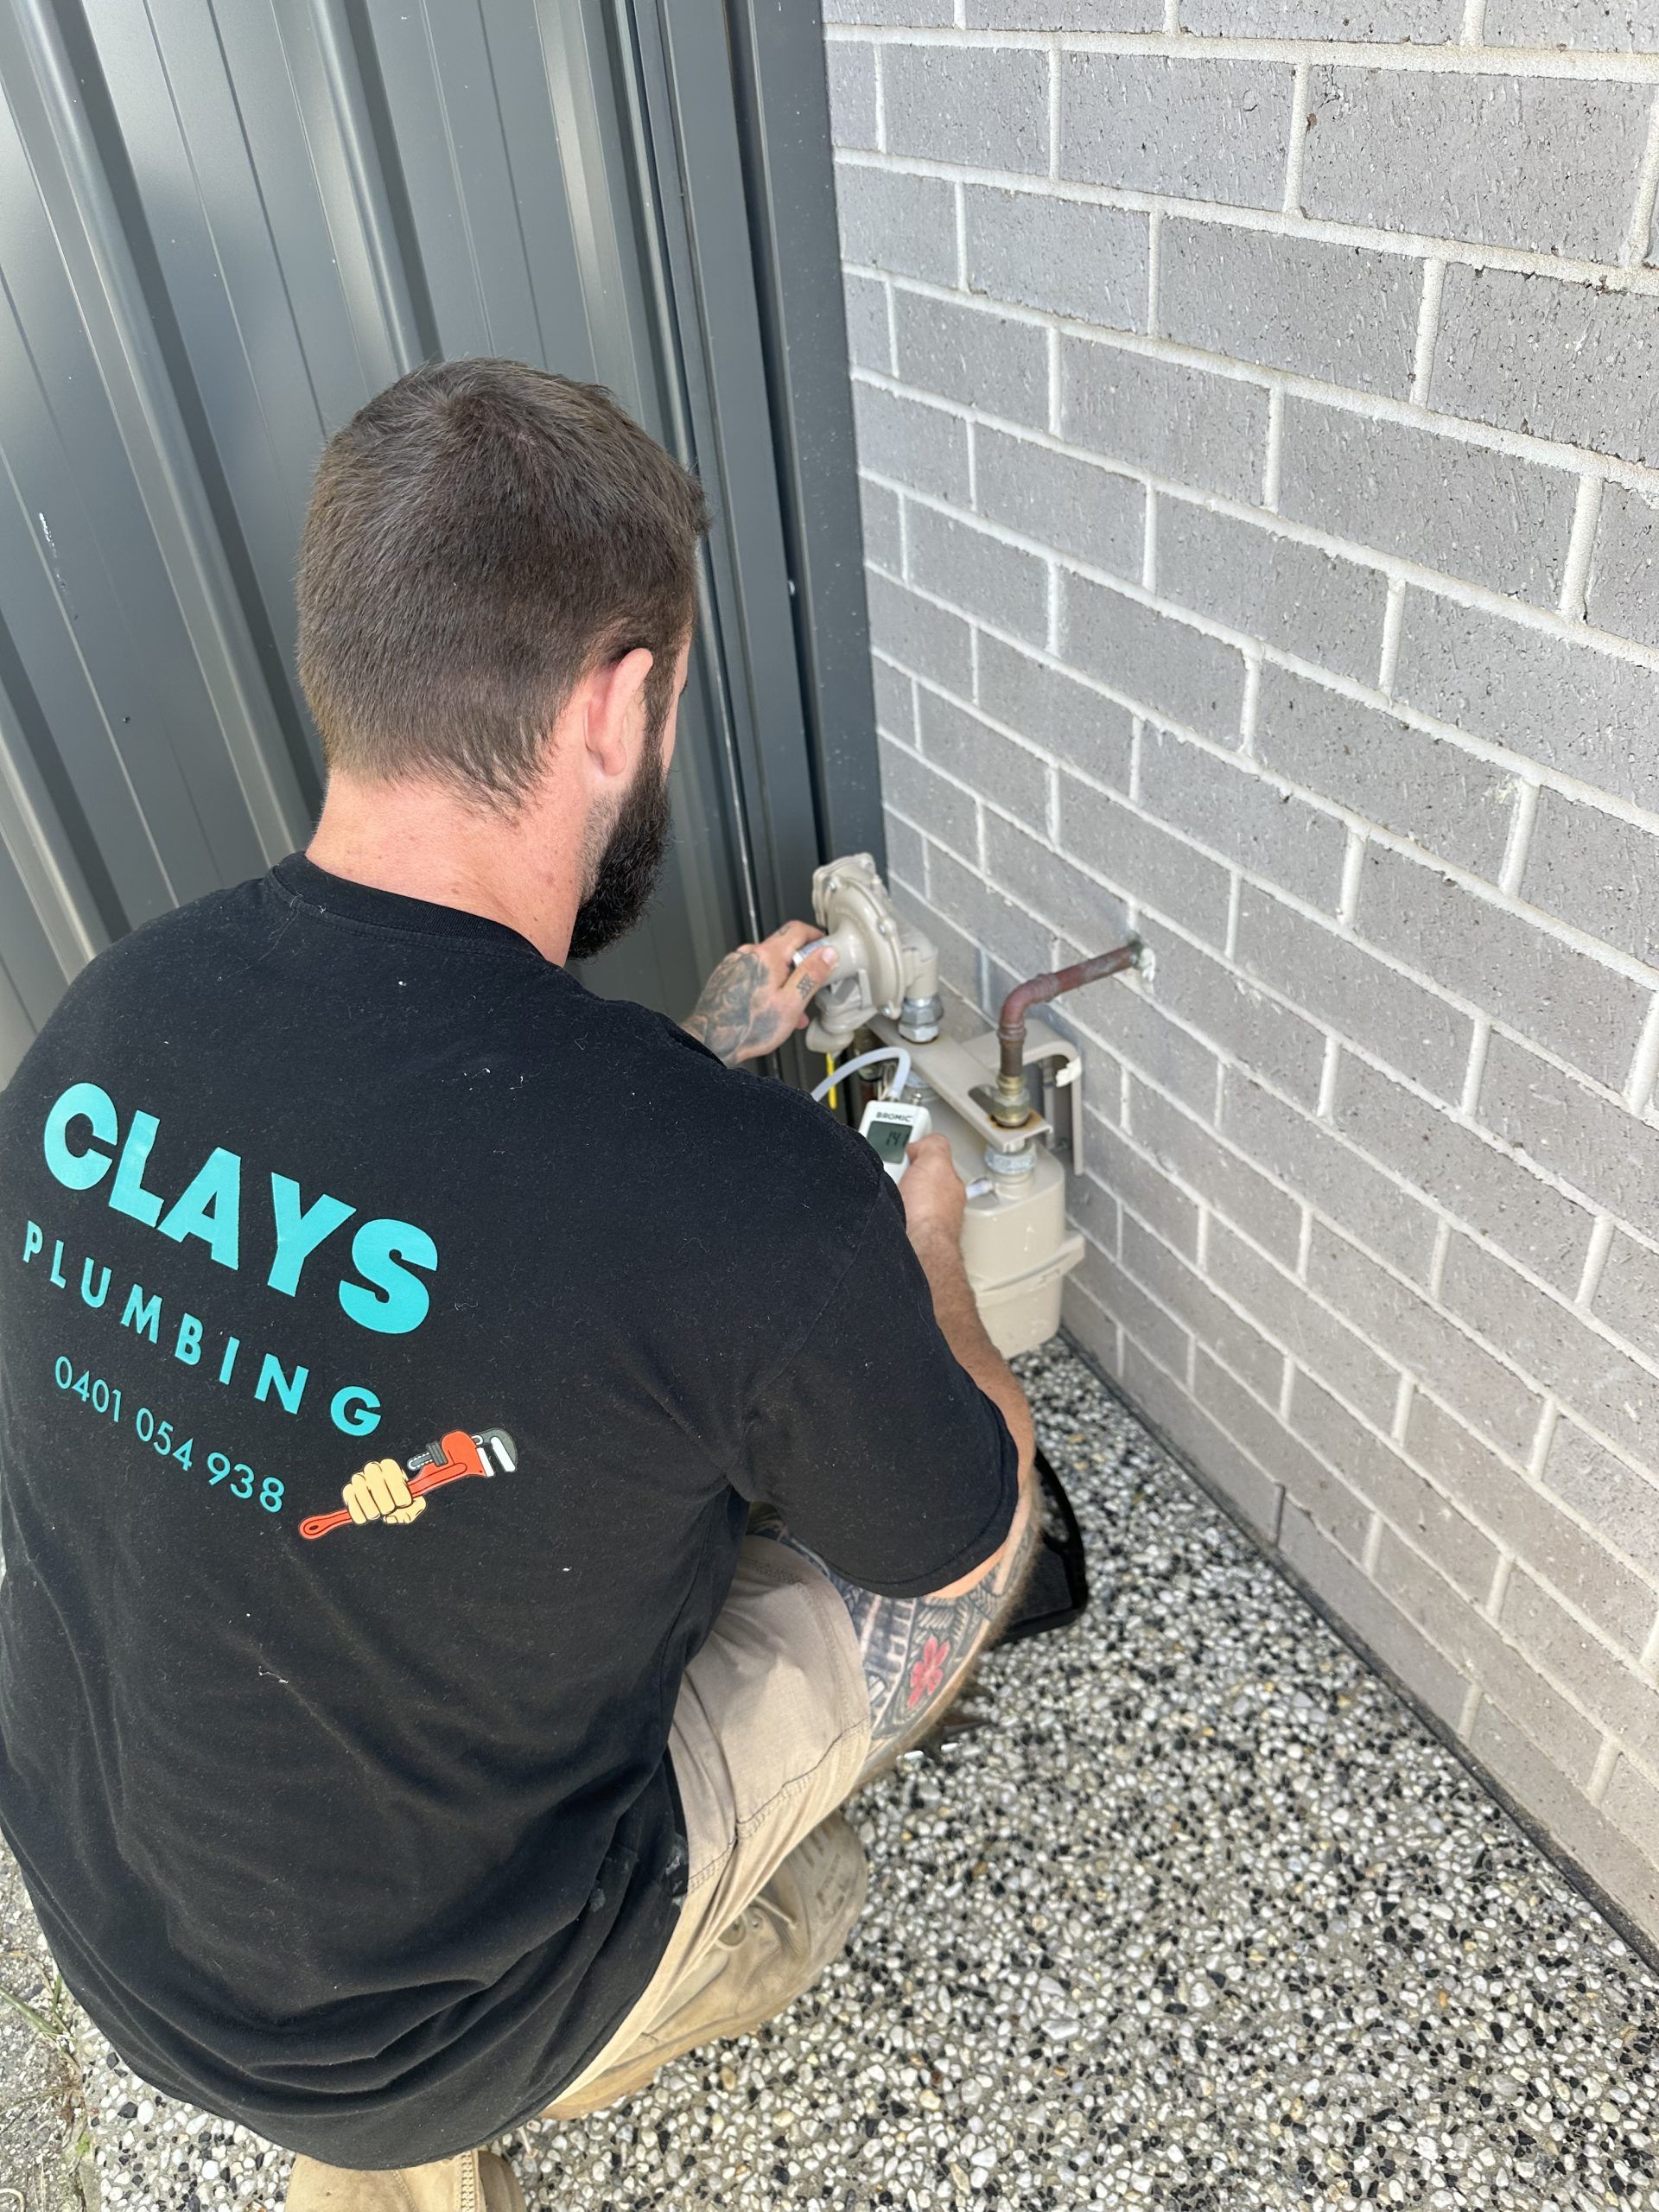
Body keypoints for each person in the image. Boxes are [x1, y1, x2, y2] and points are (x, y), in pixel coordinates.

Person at [0, 359, 1039, 2212]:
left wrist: (715, 1055)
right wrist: (932, 1263)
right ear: (620, 701)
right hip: (415, 2029)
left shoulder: (99, 1033)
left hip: (108, 1928)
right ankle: (639, 1994)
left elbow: (476, 1243)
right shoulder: (744, 1209)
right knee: (954, 1557)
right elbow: (951, 1530)